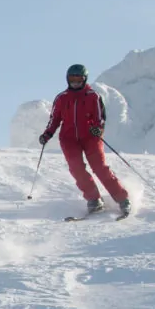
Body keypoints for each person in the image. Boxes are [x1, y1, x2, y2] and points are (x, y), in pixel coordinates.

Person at [40, 64, 131, 217]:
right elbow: (54, 119)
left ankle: (122, 199)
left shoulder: (92, 96)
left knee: (99, 167)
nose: (75, 82)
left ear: (84, 79)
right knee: (76, 169)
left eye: (79, 79)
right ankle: (94, 200)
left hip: (90, 137)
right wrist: (47, 134)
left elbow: (100, 118)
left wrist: (98, 129)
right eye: (72, 79)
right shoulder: (62, 98)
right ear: (67, 79)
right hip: (69, 139)